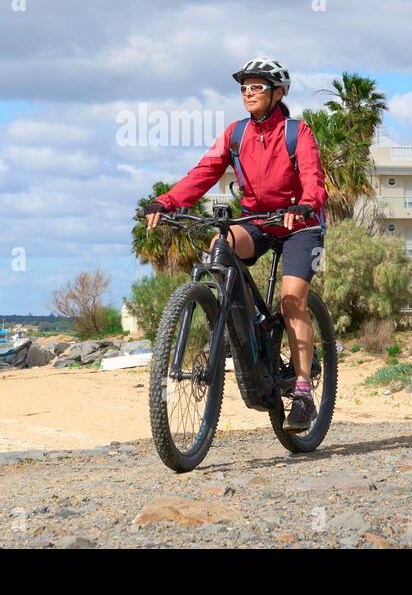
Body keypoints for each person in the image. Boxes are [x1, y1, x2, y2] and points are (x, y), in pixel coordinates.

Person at [141, 57, 328, 432]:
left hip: (300, 224)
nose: (248, 92)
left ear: (278, 93)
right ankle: (233, 322)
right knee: (220, 243)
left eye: (256, 86)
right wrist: (167, 201)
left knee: (292, 300)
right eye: (244, 87)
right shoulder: (236, 134)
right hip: (257, 221)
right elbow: (203, 172)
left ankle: (304, 391)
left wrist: (306, 204)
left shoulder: (297, 133)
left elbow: (313, 178)